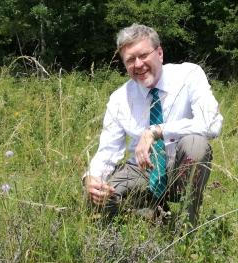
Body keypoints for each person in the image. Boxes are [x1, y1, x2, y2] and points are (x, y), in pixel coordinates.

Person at [83, 24, 223, 225]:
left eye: (143, 55)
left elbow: (211, 124)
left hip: (181, 164)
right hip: (142, 169)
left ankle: (186, 228)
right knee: (101, 198)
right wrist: (92, 177)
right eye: (130, 60)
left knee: (196, 144)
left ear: (159, 53)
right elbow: (108, 150)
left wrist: (157, 131)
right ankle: (149, 214)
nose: (138, 65)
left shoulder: (189, 75)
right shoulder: (119, 98)